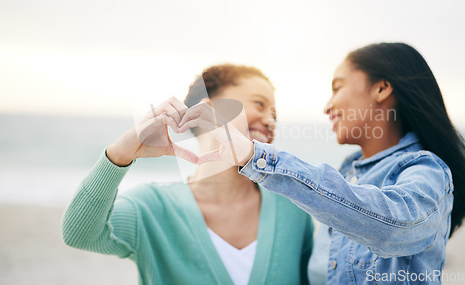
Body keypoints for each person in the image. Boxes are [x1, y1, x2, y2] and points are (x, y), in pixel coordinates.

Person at [178, 43, 465, 285]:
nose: (327, 106)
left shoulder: (426, 172)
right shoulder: (345, 179)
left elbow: (393, 226)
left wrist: (253, 155)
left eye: (337, 87)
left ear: (381, 88)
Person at [62, 64, 314, 285]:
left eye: (275, 114)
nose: (270, 120)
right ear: (207, 108)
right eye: (259, 104)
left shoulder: (292, 209)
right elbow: (78, 234)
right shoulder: (152, 207)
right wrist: (119, 154)